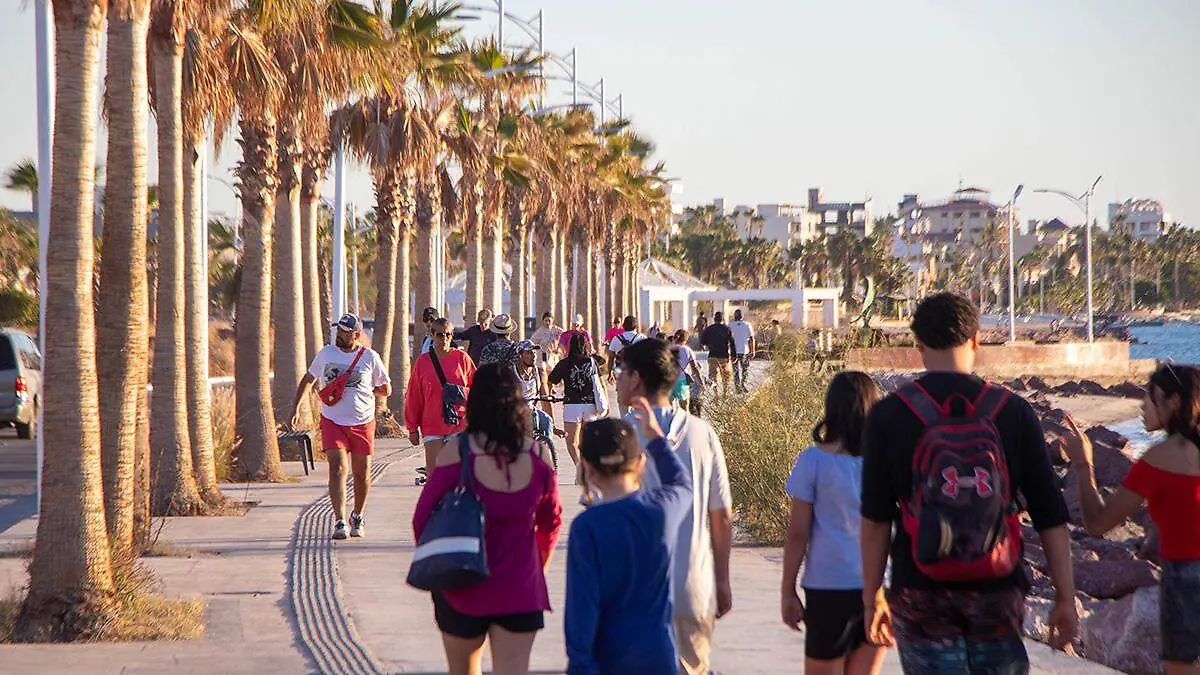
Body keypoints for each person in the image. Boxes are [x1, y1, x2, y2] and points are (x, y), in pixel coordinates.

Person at [860, 292, 1078, 673]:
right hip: (996, 592)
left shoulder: (889, 415)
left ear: (919, 344)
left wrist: (872, 597)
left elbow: (876, 520)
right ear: (976, 340)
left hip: (921, 592)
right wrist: (1066, 597)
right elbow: (1050, 515)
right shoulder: (1013, 411)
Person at [413, 363, 563, 675]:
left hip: (461, 585)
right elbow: (551, 522)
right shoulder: (538, 456)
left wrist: (442, 565)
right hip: (520, 587)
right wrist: (538, 566)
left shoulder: (456, 453)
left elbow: (421, 519)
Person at [1053, 363, 1200, 672]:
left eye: (1151, 397)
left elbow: (1098, 523)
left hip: (1185, 580)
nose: (1143, 406)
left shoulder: (1159, 459)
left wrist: (1084, 464)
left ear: (1174, 402)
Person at [617, 338, 734, 675]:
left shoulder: (621, 436)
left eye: (622, 371)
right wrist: (722, 580)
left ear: (637, 378)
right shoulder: (702, 432)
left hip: (636, 592)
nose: (617, 379)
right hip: (692, 585)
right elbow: (721, 515)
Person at [564, 400, 693, 674]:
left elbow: (581, 609)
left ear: (588, 469)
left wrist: (580, 665)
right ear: (640, 463)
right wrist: (656, 438)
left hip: (608, 659)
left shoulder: (587, 527)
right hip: (658, 655)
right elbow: (682, 484)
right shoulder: (662, 511)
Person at [782, 372, 888, 675]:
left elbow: (798, 533)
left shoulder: (813, 461)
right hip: (877, 586)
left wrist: (787, 590)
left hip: (828, 586)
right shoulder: (882, 464)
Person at [289, 314, 391, 540]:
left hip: (363, 422)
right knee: (337, 468)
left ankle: (358, 516)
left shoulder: (370, 357)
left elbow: (386, 389)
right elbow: (308, 379)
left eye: (345, 332)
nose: (340, 335)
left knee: (362, 474)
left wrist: (365, 390)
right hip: (332, 420)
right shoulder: (327, 353)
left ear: (357, 335)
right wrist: (295, 408)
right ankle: (340, 520)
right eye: (339, 330)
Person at [406, 318, 477, 479]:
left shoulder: (462, 358)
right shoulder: (423, 362)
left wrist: (461, 393)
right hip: (432, 424)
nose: (444, 338)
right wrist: (412, 428)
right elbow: (414, 396)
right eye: (440, 335)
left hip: (459, 423)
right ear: (431, 335)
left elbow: (478, 388)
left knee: (458, 475)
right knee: (434, 476)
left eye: (448, 335)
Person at [549, 332, 608, 479]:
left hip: (571, 405)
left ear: (570, 346)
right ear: (585, 345)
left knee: (571, 442)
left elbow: (552, 379)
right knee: (587, 442)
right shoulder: (591, 362)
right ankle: (586, 470)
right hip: (590, 406)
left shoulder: (564, 363)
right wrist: (605, 403)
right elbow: (600, 383)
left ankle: (580, 468)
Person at [699, 311, 735, 397]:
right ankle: (725, 394)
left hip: (712, 356)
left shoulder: (708, 329)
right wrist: (734, 355)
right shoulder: (727, 329)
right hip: (724, 357)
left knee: (713, 378)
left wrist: (710, 343)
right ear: (723, 319)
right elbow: (732, 342)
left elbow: (702, 341)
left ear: (714, 319)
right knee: (726, 377)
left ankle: (716, 396)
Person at [669, 329, 704, 417]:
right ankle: (684, 424)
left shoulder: (668, 349)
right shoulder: (687, 350)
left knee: (669, 408)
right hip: (681, 382)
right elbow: (694, 367)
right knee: (684, 408)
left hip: (668, 381)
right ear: (685, 340)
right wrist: (701, 381)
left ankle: (670, 423)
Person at [729, 309, 756, 394]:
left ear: (735, 316)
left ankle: (737, 388)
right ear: (742, 316)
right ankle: (743, 384)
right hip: (745, 351)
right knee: (745, 369)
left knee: (735, 370)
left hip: (734, 352)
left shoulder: (730, 325)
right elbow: (752, 338)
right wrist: (753, 351)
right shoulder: (747, 324)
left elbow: (727, 339)